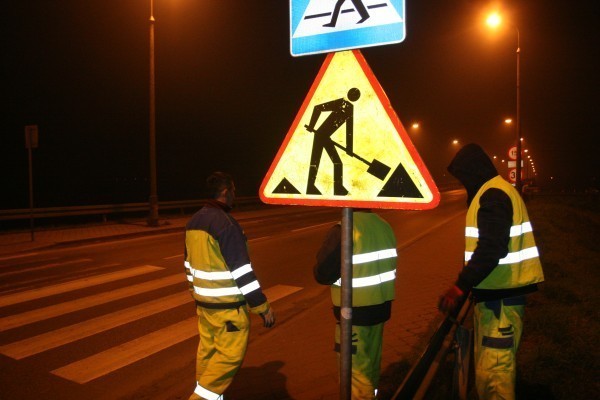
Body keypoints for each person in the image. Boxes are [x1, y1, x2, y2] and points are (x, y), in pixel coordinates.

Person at [438, 144, 544, 400]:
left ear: (473, 172)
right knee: (491, 374)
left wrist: (460, 286)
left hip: (500, 304)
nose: (463, 184)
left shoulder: (493, 195)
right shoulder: (496, 191)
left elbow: (491, 248)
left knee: (495, 379)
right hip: (499, 299)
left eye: (463, 177)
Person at [184, 171, 275, 400]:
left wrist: (196, 294)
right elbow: (242, 271)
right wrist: (261, 306)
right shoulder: (226, 224)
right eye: (233, 191)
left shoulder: (193, 221)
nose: (235, 195)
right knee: (227, 359)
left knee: (209, 355)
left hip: (205, 308)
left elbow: (187, 263)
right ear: (225, 193)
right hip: (228, 310)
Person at [314, 209, 398, 399]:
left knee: (356, 376)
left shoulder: (344, 228)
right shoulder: (384, 225)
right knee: (371, 367)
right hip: (380, 308)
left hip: (353, 316)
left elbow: (323, 273)